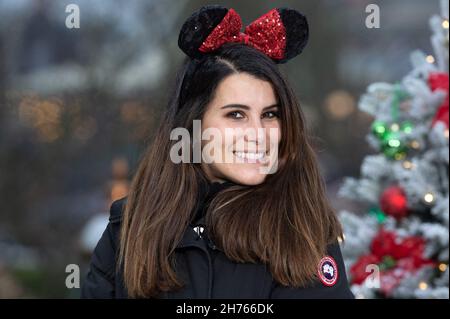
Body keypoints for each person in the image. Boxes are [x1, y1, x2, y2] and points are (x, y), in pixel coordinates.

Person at [81, 5, 355, 299]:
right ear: (193, 125)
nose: (258, 134)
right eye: (236, 115)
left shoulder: (300, 226)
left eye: (270, 115)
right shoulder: (130, 225)